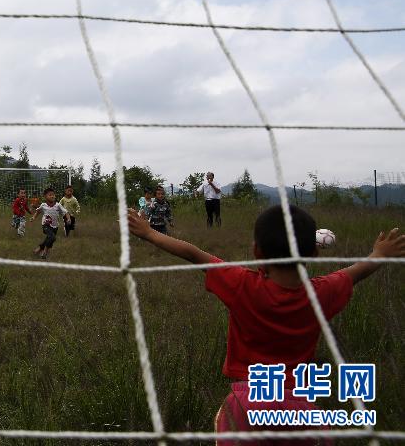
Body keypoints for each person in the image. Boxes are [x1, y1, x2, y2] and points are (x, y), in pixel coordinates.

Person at [126, 204, 405, 444]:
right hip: (302, 410)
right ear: (315, 253)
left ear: (257, 252)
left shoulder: (241, 285)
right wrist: (379, 254)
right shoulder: (322, 293)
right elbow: (355, 273)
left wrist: (149, 233)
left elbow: (193, 254)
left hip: (247, 405)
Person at [30, 187, 69, 260]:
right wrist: (33, 218)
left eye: (53, 195)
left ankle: (38, 249)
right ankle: (44, 252)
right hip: (46, 225)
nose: (52, 196)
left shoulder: (58, 205)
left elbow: (65, 212)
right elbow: (38, 211)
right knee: (52, 237)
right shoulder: (43, 205)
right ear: (45, 197)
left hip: (55, 226)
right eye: (50, 195)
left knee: (49, 238)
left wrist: (68, 219)